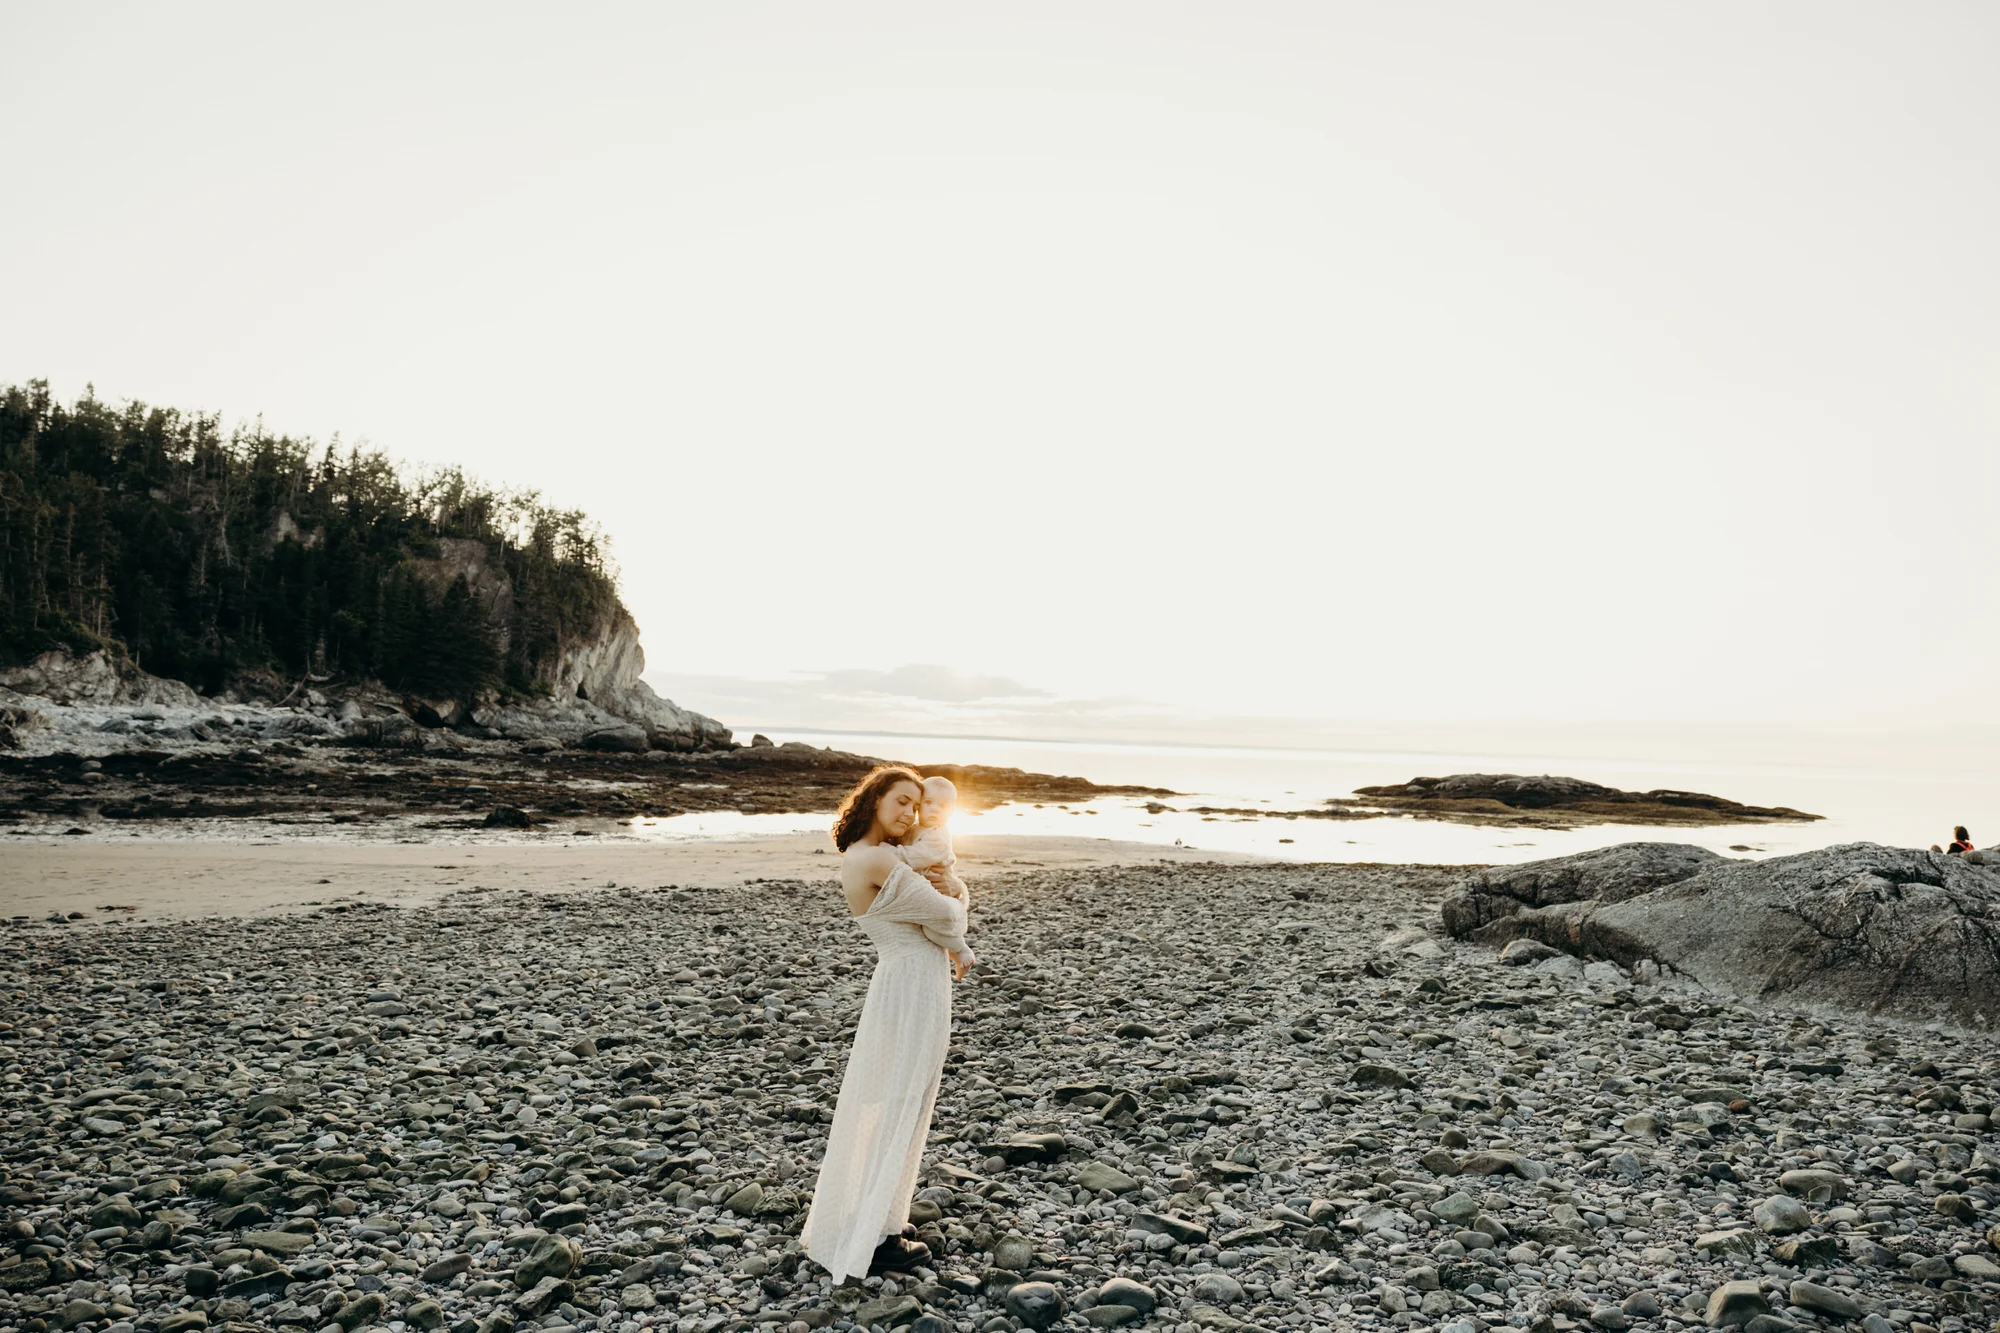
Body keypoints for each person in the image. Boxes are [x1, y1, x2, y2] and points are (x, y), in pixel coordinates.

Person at [801, 766, 974, 1283]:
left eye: (916, 806)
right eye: (900, 800)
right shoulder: (876, 858)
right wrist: (957, 894)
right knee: (898, 1102)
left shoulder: (881, 855)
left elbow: (942, 910)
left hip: (911, 982)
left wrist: (954, 889)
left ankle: (881, 1219)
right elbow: (948, 918)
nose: (909, 813)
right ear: (874, 799)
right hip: (909, 989)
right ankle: (873, 1237)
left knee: (902, 1100)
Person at [890, 776, 975, 974]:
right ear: (919, 805)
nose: (935, 809)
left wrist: (892, 853)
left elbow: (917, 856)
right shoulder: (915, 828)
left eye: (942, 806)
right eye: (928, 802)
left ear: (952, 811)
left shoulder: (938, 835)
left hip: (939, 890)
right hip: (923, 889)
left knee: (932, 929)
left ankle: (960, 949)